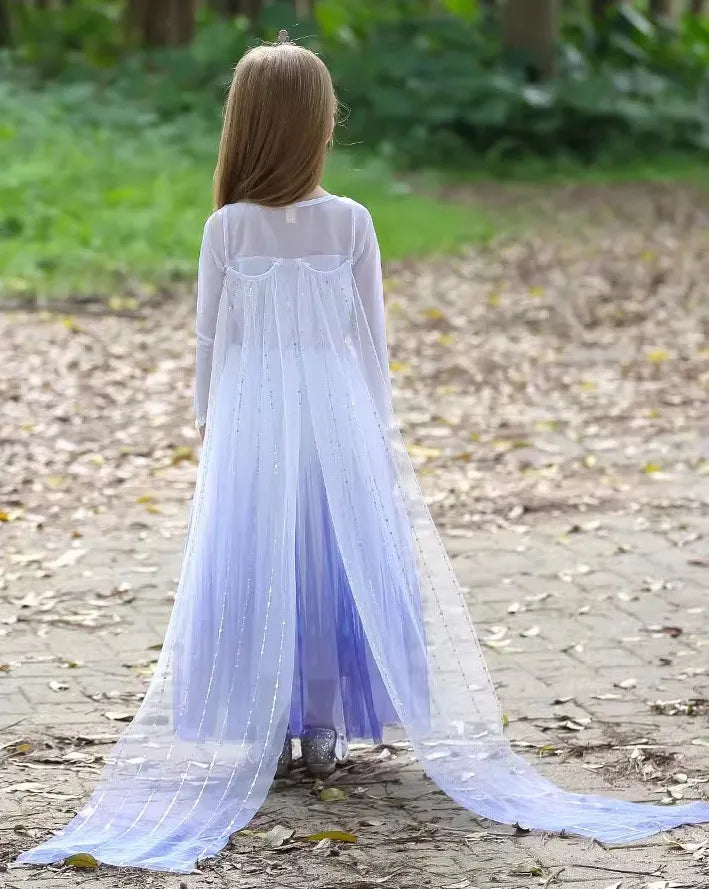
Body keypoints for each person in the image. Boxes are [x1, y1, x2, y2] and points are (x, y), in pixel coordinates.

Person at [16, 33, 709, 876]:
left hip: (254, 425)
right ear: (318, 126)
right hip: (337, 420)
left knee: (258, 556)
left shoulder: (228, 229)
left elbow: (211, 344)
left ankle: (263, 724)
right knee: (331, 559)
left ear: (243, 127)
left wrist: (211, 424)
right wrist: (372, 437)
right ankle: (319, 726)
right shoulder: (349, 222)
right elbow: (369, 343)